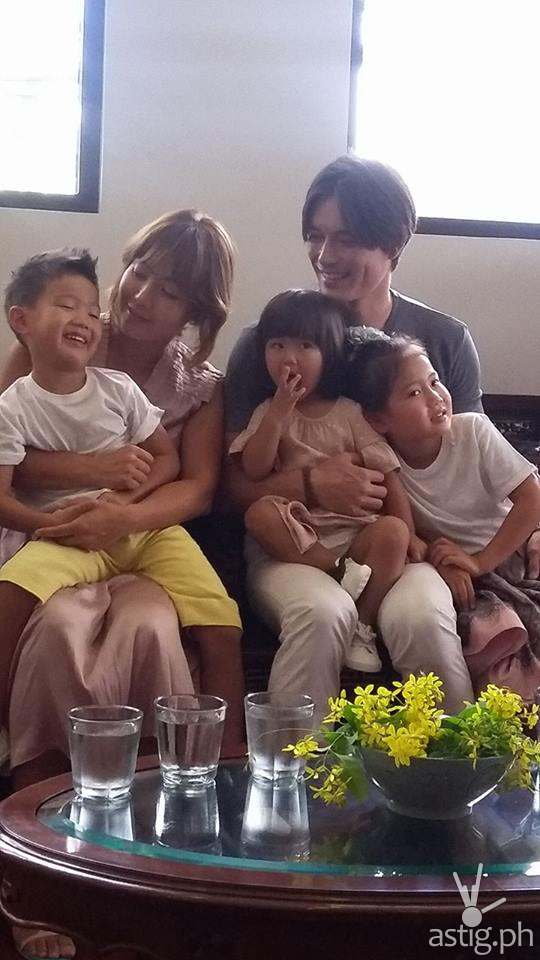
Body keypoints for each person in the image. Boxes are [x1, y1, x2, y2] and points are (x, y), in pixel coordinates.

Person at [224, 155, 538, 723]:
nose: (325, 254)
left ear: (393, 244)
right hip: (294, 543)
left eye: (346, 239)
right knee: (323, 614)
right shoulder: (270, 344)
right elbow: (232, 488)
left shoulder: (442, 342)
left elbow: (468, 464)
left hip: (401, 544)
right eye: (315, 236)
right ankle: (297, 767)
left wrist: (480, 548)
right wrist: (311, 483)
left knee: (422, 617)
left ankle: (454, 762)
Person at [0, 249, 242, 735]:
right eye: (140, 273)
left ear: (192, 313)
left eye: (169, 292)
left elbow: (185, 475)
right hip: (63, 531)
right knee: (13, 595)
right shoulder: (23, 383)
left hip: (148, 531)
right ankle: (10, 731)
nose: (143, 296)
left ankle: (230, 752)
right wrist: (60, 516)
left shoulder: (124, 388)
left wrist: (125, 506)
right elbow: (10, 478)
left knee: (221, 620)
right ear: (22, 322)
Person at [345, 326, 540, 699]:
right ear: (379, 420)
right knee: (486, 639)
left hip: (508, 556)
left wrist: (479, 561)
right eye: (414, 393)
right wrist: (448, 564)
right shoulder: (384, 465)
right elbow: (410, 537)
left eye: (434, 382)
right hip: (464, 574)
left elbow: (532, 499)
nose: (436, 398)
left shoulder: (472, 432)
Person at [231, 289, 416, 671]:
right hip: (299, 531)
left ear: (329, 355)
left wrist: (409, 531)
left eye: (305, 346)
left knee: (394, 532)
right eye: (277, 345)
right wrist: (278, 414)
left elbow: (387, 472)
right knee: (260, 514)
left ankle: (362, 625)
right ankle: (336, 571)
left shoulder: (349, 412)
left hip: (354, 531)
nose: (289, 357)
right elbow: (254, 469)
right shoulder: (268, 411)